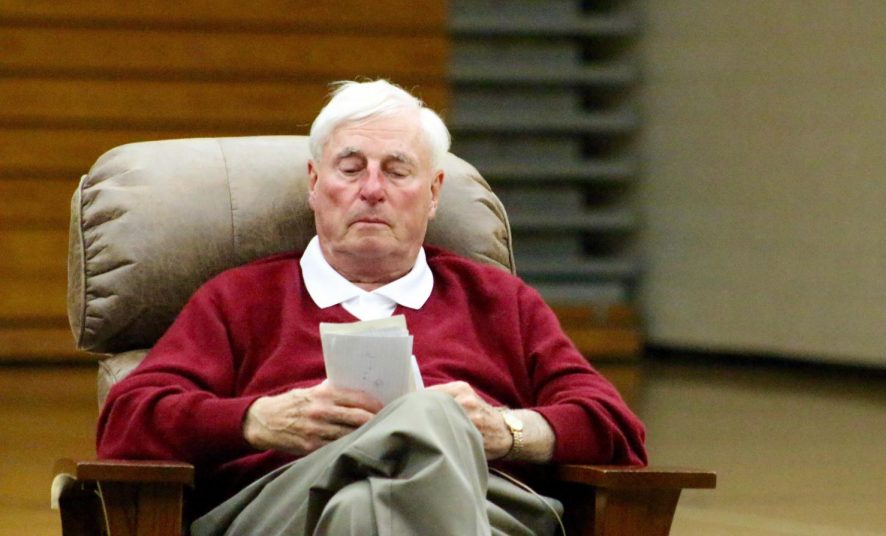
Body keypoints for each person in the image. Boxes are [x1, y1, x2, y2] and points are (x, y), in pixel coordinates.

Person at [97, 79, 647, 535]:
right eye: (351, 167)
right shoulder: (239, 299)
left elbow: (616, 430)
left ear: (433, 193)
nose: (372, 189)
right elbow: (126, 420)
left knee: (363, 511)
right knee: (428, 420)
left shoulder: (499, 302)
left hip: (481, 506)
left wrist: (506, 431)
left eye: (397, 170)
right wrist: (254, 420)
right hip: (286, 505)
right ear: (315, 184)